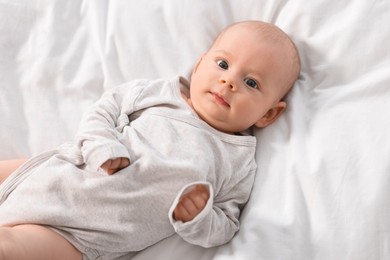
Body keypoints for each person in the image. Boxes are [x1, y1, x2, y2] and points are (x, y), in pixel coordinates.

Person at [0, 20, 300, 260]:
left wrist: (199, 217)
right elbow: (103, 112)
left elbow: (225, 227)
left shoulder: (238, 161)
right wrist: (102, 145)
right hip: (60, 170)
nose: (229, 81)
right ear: (199, 66)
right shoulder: (159, 94)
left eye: (251, 83)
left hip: (81, 236)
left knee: (10, 249)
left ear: (269, 115)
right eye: (222, 64)